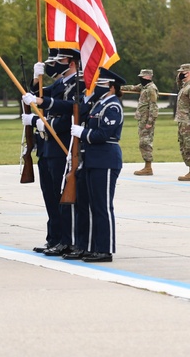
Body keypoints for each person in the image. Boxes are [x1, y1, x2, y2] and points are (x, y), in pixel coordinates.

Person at [21, 48, 79, 256]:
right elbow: (42, 96)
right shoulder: (61, 83)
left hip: (61, 146)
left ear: (72, 62)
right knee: (50, 196)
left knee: (60, 195)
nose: (54, 64)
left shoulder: (77, 85)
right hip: (47, 148)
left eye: (59, 59)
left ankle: (65, 240)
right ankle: (54, 237)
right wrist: (37, 82)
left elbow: (67, 115)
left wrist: (38, 121)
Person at [70, 68, 125, 262]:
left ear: (111, 88)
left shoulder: (113, 106)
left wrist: (82, 134)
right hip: (92, 158)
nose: (96, 87)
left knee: (103, 206)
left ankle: (105, 249)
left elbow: (103, 134)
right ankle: (92, 247)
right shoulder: (98, 105)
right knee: (91, 205)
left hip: (106, 159)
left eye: (101, 85)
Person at [121, 68, 159, 176]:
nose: (140, 78)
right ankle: (147, 166)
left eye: (142, 77)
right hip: (142, 119)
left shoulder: (151, 89)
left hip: (147, 120)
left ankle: (148, 167)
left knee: (145, 143)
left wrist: (150, 122)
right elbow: (132, 88)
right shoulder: (144, 87)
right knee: (142, 142)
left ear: (148, 77)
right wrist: (118, 87)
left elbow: (153, 107)